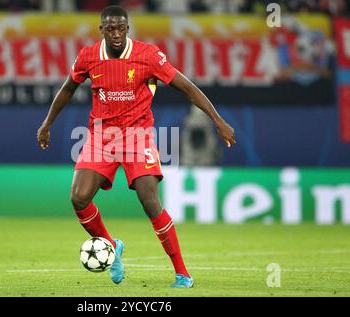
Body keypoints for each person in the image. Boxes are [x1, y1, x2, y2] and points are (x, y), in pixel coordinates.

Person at [37, 5, 236, 288]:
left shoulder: (148, 55)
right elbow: (69, 88)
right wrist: (47, 123)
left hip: (136, 136)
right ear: (101, 30)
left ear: (128, 28)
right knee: (79, 198)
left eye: (121, 28)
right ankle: (110, 246)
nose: (116, 34)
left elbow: (188, 87)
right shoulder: (89, 56)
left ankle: (182, 273)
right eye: (110, 28)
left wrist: (218, 120)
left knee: (149, 200)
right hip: (101, 136)